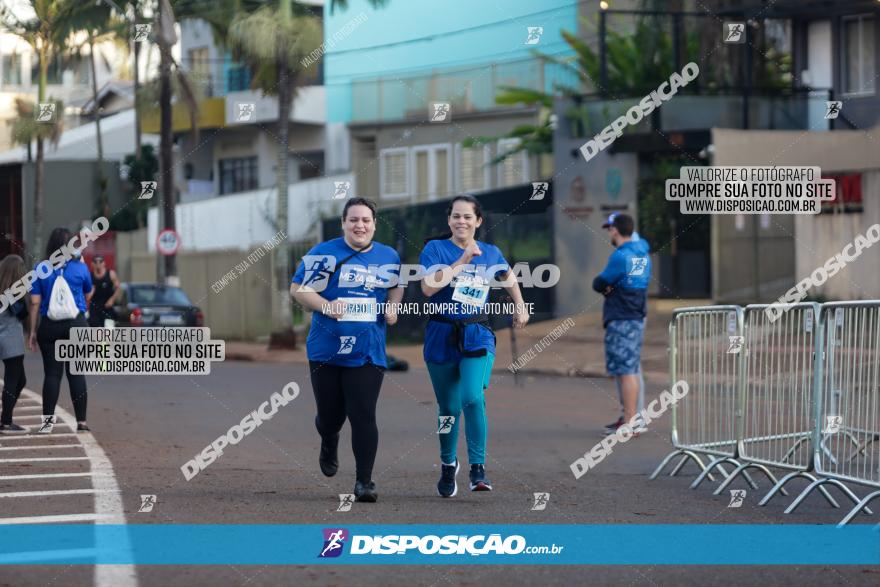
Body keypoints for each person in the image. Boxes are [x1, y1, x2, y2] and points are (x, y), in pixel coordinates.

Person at [291, 197, 403, 503]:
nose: (360, 225)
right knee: (330, 417)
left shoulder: (388, 256)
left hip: (368, 350)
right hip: (326, 349)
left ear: (374, 224)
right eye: (353, 220)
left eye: (366, 220)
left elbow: (397, 285)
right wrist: (327, 306)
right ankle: (329, 439)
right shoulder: (325, 253)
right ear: (343, 223)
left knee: (363, 413)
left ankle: (364, 482)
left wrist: (393, 307)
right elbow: (299, 289)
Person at [419, 195, 528, 498]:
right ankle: (446, 463)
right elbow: (428, 288)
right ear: (449, 220)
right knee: (448, 409)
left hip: (477, 333)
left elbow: (508, 277)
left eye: (467, 216)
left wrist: (520, 305)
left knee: (471, 398)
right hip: (441, 334)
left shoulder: (491, 253)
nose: (461, 221)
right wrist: (462, 261)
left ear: (478, 221)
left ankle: (477, 468)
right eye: (456, 216)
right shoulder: (435, 250)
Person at [28, 228, 93, 433]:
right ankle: (81, 422)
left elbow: (35, 303)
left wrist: (33, 331)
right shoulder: (80, 268)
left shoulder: (40, 269)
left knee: (52, 375)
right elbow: (89, 293)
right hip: (77, 324)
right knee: (76, 373)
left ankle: (47, 424)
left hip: (50, 326)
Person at [593, 213, 651, 437]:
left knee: (626, 371)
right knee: (632, 369)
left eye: (610, 228)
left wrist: (610, 289)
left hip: (622, 317)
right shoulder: (642, 253)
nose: (609, 232)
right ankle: (632, 419)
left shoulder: (621, 256)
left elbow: (599, 282)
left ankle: (629, 422)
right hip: (636, 315)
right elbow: (633, 284)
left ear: (615, 230)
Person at [0, 255, 30, 433]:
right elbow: (22, 313)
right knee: (14, 380)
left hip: (5, 338)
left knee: (20, 379)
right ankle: (6, 421)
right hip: (11, 341)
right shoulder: (12, 293)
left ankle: (5, 418)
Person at [88, 255, 120, 327]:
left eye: (100, 261)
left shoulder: (111, 274)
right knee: (95, 330)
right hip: (95, 308)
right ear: (92, 264)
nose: (98, 263)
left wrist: (112, 299)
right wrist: (91, 291)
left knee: (109, 329)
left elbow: (118, 288)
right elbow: (87, 295)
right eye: (95, 261)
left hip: (107, 307)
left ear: (104, 263)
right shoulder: (89, 276)